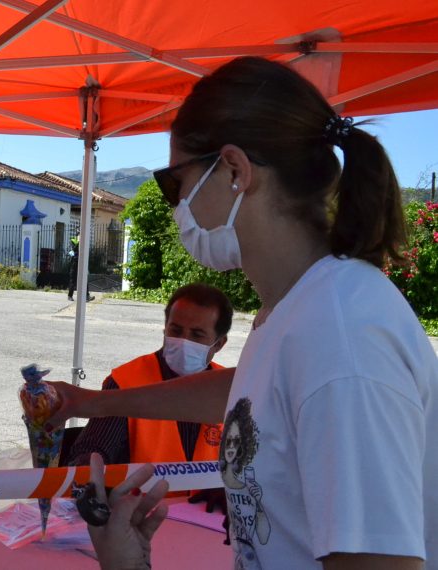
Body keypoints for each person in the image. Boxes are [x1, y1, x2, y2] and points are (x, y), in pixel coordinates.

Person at [46, 57, 437, 570]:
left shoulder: (342, 337)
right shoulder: (298, 309)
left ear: (234, 170)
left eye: (174, 183)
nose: (176, 205)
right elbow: (250, 395)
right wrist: (91, 403)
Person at [68, 283, 230, 466]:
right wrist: (88, 470)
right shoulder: (126, 381)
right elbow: (92, 450)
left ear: (219, 344)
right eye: (175, 330)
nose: (183, 341)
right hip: (140, 486)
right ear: (165, 329)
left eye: (197, 335)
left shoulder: (231, 389)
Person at [67, 236, 94, 302]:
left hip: (82, 262)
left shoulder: (84, 241)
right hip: (75, 263)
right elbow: (74, 250)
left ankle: (87, 296)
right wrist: (79, 242)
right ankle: (70, 296)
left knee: (84, 279)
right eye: (79, 234)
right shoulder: (73, 241)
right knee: (73, 280)